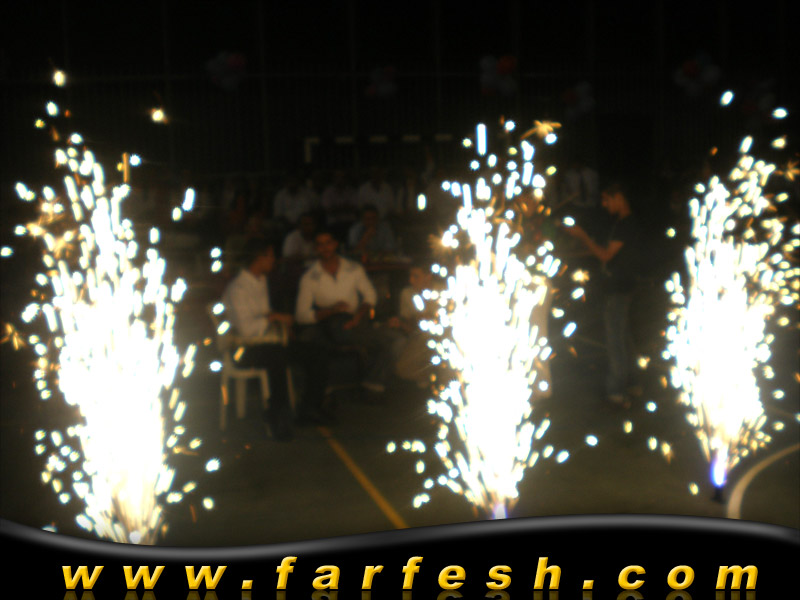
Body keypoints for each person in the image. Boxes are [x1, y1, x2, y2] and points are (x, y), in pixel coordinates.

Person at [222, 238, 331, 441]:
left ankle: (310, 407)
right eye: (270, 256)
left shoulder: (261, 281)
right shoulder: (238, 288)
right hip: (243, 349)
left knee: (316, 352)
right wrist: (273, 318)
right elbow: (247, 330)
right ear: (259, 257)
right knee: (277, 358)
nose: (274, 260)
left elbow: (265, 314)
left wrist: (280, 325)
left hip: (267, 343)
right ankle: (277, 415)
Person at [564, 182, 641, 405]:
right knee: (624, 338)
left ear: (619, 197)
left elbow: (606, 255)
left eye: (607, 199)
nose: (605, 205)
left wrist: (583, 236)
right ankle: (633, 383)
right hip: (622, 287)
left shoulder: (626, 224)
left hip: (618, 289)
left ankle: (616, 390)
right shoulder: (623, 222)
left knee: (616, 340)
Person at [295, 230, 393, 394]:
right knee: (314, 339)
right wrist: (331, 310)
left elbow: (370, 295)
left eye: (328, 243)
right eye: (320, 245)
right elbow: (301, 315)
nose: (325, 248)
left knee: (386, 342)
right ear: (316, 248)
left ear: (335, 244)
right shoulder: (310, 276)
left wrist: (358, 316)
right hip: (328, 323)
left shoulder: (353, 268)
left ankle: (372, 384)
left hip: (354, 319)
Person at [386, 263, 437, 388]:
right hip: (419, 338)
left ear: (428, 277)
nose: (411, 280)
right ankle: (431, 378)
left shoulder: (442, 291)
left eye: (416, 276)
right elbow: (410, 326)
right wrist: (400, 323)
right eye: (410, 276)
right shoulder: (408, 293)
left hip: (442, 338)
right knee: (402, 368)